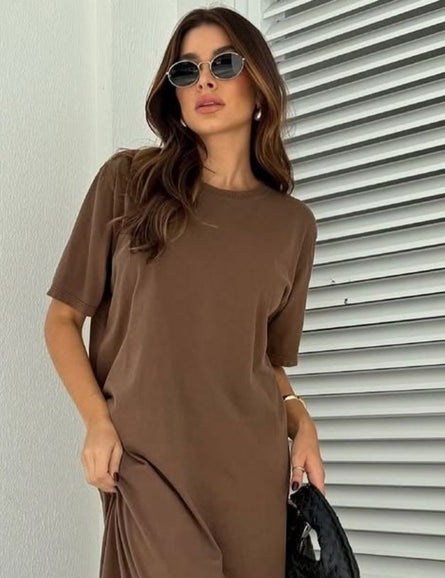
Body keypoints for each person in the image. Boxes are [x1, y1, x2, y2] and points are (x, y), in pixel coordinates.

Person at [42, 7, 324, 578]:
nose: (205, 82)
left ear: (259, 85)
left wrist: (301, 421)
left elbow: (263, 359)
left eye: (224, 64)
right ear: (173, 94)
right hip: (148, 463)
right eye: (186, 71)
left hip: (250, 471)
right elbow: (62, 320)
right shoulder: (129, 183)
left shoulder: (292, 225)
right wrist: (97, 422)